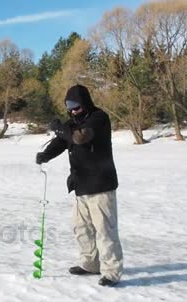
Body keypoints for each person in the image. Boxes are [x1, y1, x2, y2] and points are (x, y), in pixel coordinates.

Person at [36, 84, 123, 287]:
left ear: (85, 103)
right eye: (69, 106)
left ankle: (111, 272)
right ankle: (90, 264)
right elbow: (62, 141)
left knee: (105, 230)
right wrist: (46, 155)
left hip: (101, 185)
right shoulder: (74, 122)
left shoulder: (98, 118)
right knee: (81, 228)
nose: (73, 110)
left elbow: (79, 138)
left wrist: (59, 128)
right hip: (81, 184)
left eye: (76, 105)